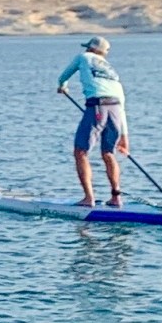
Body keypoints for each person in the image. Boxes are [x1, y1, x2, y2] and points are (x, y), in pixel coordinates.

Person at [57, 36, 128, 207]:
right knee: (109, 153)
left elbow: (64, 76)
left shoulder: (83, 58)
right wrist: (125, 136)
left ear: (91, 49)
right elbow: (122, 104)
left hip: (97, 107)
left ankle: (88, 198)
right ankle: (116, 197)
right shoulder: (112, 72)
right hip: (116, 110)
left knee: (80, 151)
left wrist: (62, 86)